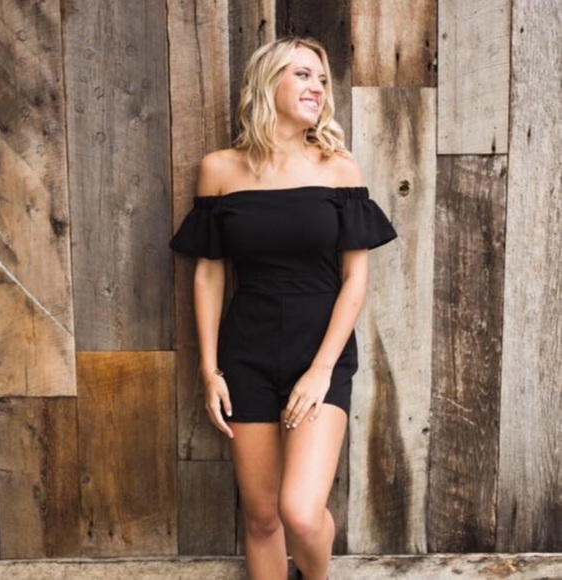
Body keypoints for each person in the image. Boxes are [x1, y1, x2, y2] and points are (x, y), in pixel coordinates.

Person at [170, 36, 397, 580]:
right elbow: (208, 273)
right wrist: (209, 370)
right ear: (266, 83)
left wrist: (321, 370)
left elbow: (355, 278)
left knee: (299, 512)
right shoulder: (219, 169)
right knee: (262, 516)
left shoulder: (339, 168)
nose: (317, 87)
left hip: (318, 353)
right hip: (245, 355)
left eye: (321, 79)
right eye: (302, 75)